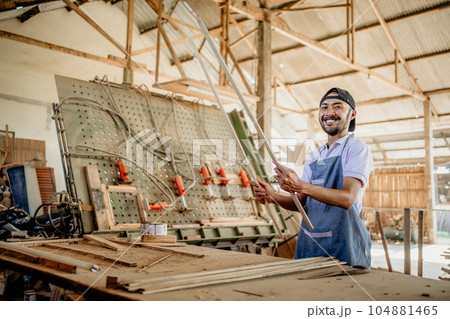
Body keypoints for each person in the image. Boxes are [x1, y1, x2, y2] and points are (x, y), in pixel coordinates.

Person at [252, 87, 373, 267]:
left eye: (337, 107)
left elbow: (347, 199)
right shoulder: (315, 155)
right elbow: (303, 203)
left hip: (344, 245)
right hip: (310, 244)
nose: (329, 112)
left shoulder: (356, 148)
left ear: (352, 114)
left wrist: (300, 185)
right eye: (324, 107)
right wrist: (273, 197)